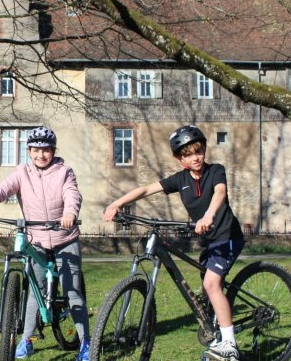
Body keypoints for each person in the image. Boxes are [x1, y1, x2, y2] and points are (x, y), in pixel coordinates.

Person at [103, 125, 245, 361]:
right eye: (187, 154)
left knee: (211, 285)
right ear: (180, 159)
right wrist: (116, 203)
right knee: (209, 289)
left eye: (198, 151)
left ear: (204, 150)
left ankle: (229, 344)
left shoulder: (216, 171)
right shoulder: (180, 180)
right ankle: (217, 334)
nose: (195, 157)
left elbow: (220, 192)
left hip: (227, 237)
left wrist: (209, 214)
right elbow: (147, 188)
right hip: (208, 241)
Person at [0, 126, 91, 361]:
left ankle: (86, 343)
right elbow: (1, 190)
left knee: (73, 292)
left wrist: (69, 213)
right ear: (29, 151)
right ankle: (27, 340)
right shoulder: (22, 172)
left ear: (53, 151)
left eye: (45, 150)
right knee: (35, 292)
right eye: (35, 150)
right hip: (37, 240)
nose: (40, 155)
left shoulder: (64, 171)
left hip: (64, 238)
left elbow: (72, 194)